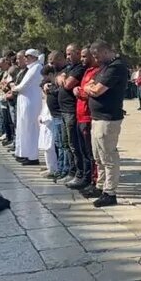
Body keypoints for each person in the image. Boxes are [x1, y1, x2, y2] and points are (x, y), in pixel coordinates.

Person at [83, 40, 129, 207]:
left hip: (108, 118)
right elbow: (89, 84)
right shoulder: (104, 67)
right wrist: (91, 88)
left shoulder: (116, 67)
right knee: (98, 156)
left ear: (104, 51)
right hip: (97, 117)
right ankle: (100, 185)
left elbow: (96, 89)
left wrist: (91, 89)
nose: (95, 59)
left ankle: (110, 192)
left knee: (108, 156)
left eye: (96, 55)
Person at [69, 46, 101, 190]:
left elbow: (91, 92)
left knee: (90, 152)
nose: (82, 59)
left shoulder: (97, 71)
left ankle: (92, 179)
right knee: (82, 150)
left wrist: (79, 91)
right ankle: (86, 177)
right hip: (80, 115)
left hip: (88, 117)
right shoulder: (87, 71)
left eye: (84, 56)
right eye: (81, 56)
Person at [57, 44, 86, 185]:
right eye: (66, 54)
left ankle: (79, 173)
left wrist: (63, 79)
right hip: (63, 111)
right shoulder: (69, 68)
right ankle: (71, 171)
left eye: (70, 54)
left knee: (74, 145)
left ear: (78, 53)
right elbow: (59, 79)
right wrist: (62, 78)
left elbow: (68, 84)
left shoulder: (80, 68)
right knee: (66, 143)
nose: (68, 57)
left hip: (71, 111)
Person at [10, 49, 43, 166]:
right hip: (24, 101)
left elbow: (23, 86)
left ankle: (32, 156)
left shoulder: (37, 68)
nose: (25, 59)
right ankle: (23, 153)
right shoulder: (30, 69)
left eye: (27, 57)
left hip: (31, 102)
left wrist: (14, 87)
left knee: (31, 129)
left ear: (33, 57)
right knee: (22, 128)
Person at [39, 65, 59, 179]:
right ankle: (50, 167)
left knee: (51, 145)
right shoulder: (45, 84)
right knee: (46, 145)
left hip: (51, 116)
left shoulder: (54, 85)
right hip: (45, 114)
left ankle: (54, 168)